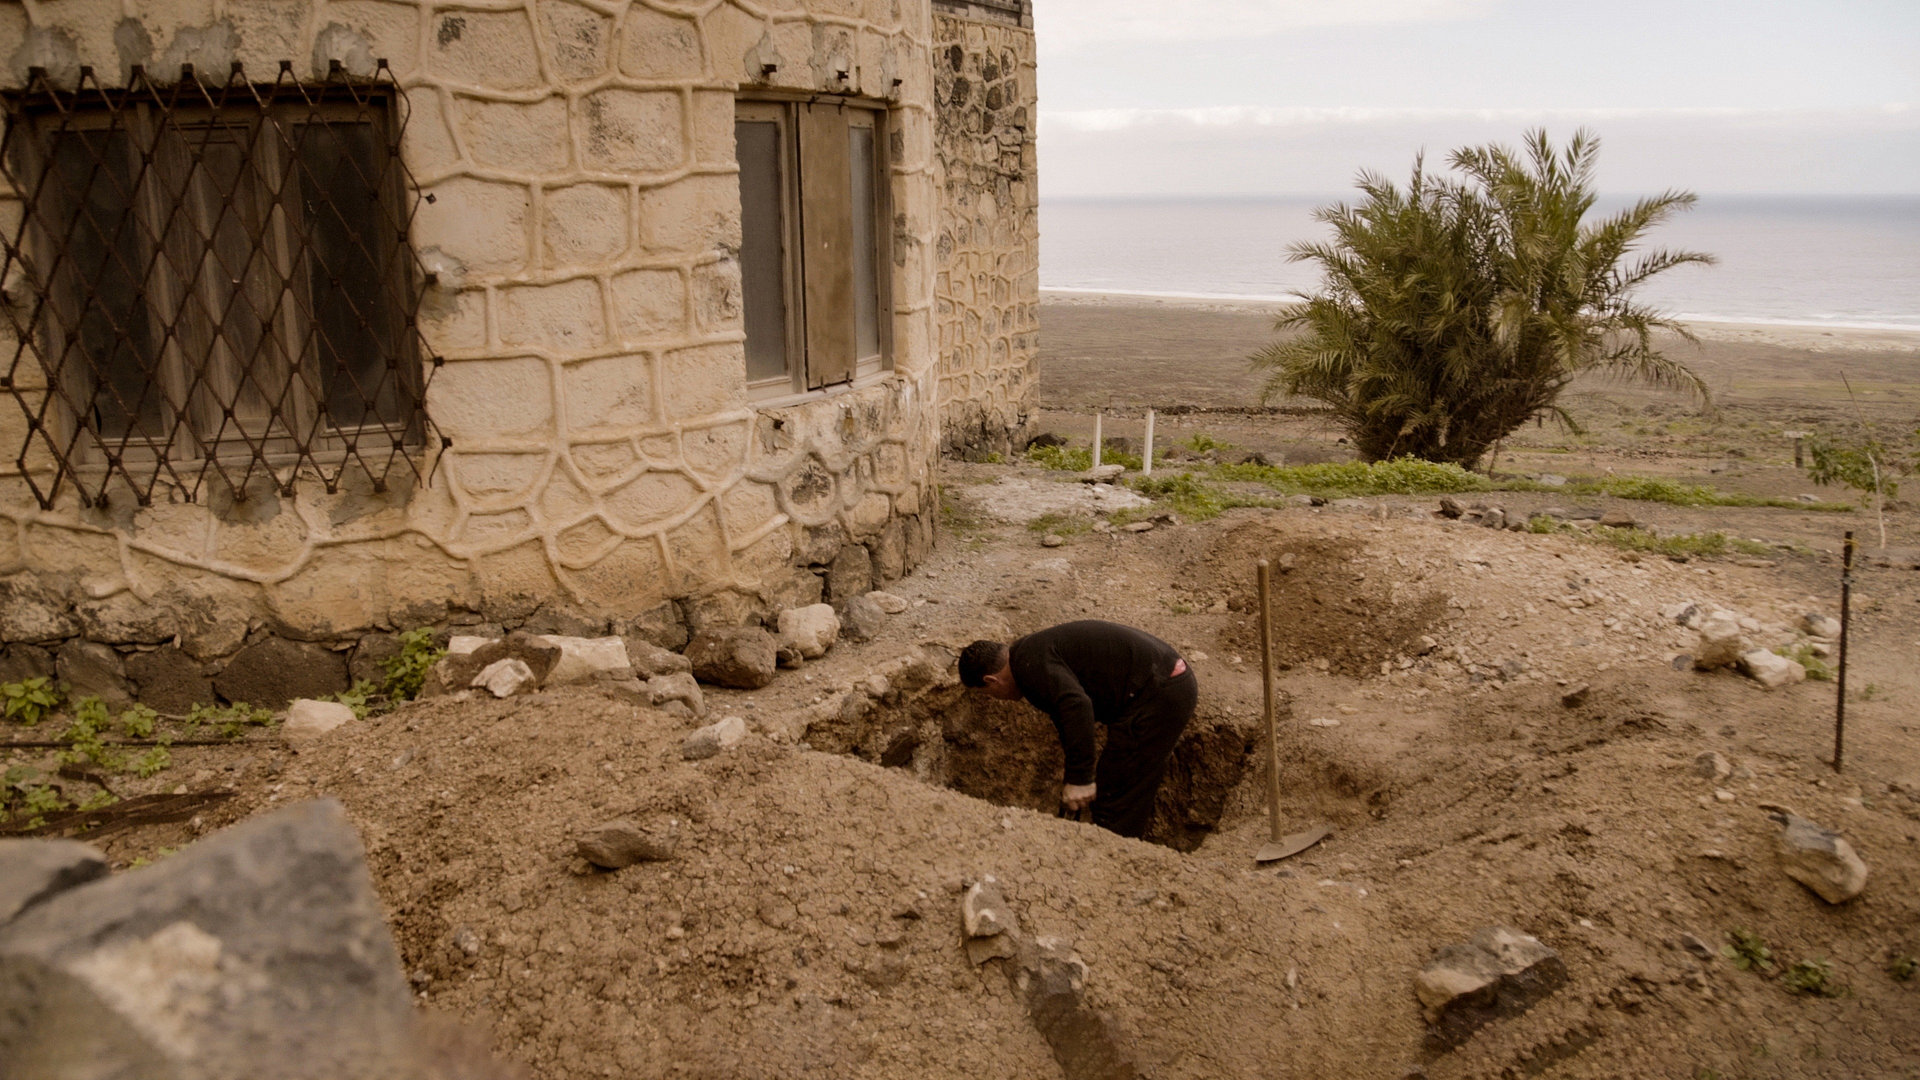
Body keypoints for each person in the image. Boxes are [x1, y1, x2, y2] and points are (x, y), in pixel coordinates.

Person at [958, 620, 1197, 839]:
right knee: (1117, 784)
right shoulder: (1028, 654)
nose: (997, 699)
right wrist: (1073, 777)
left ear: (991, 680)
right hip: (1159, 686)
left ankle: (1116, 861)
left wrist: (1080, 779)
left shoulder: (1029, 666)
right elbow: (1065, 717)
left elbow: (1077, 705)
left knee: (1117, 795)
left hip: (1159, 694)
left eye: (988, 694)